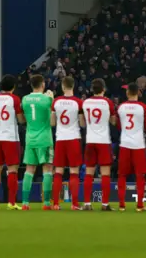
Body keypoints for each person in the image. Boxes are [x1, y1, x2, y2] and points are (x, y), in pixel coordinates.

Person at [0, 74, 25, 211]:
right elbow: (21, 120)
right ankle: (11, 202)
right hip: (10, 137)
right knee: (12, 170)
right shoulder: (14, 99)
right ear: (13, 87)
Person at [50, 76, 84, 210]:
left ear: (63, 87)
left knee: (58, 171)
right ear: (73, 86)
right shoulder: (78, 102)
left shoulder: (56, 102)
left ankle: (56, 204)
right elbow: (82, 123)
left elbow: (52, 123)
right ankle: (74, 204)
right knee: (74, 172)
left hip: (60, 139)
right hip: (73, 138)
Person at [20, 75, 54, 210]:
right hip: (45, 139)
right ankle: (46, 203)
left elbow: (23, 117)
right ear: (43, 84)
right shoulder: (47, 99)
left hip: (30, 139)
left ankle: (25, 203)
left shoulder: (25, 99)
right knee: (47, 170)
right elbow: (52, 116)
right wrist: (51, 97)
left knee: (29, 170)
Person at [82, 78, 116, 211]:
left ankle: (86, 203)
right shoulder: (108, 102)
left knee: (89, 173)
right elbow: (113, 121)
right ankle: (105, 204)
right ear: (104, 89)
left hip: (90, 140)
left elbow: (83, 122)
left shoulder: (85, 102)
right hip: (103, 141)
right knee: (105, 174)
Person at [117, 83, 146, 212]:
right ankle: (140, 206)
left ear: (127, 93)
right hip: (138, 144)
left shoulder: (121, 107)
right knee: (140, 176)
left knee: (122, 175)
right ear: (138, 93)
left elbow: (119, 126)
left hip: (124, 143)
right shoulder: (143, 108)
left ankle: (121, 205)